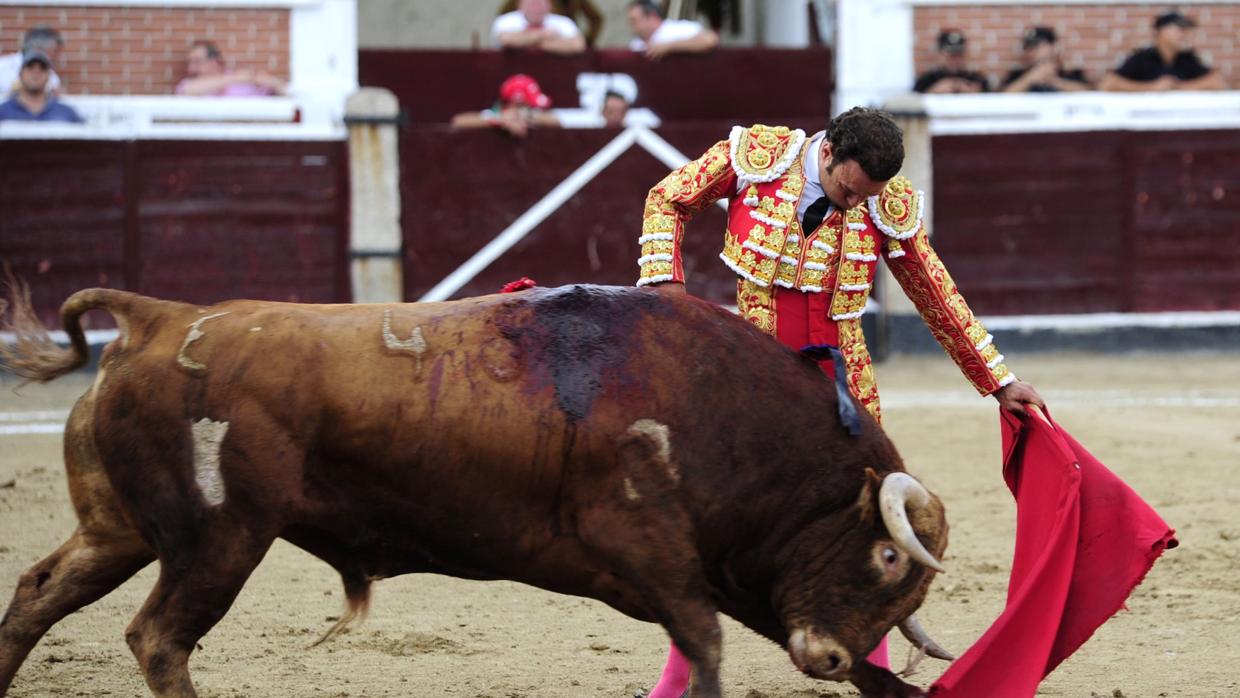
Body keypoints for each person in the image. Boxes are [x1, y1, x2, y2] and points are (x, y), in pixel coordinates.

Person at [634, 108, 1044, 697]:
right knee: (716, 522)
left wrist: (1000, 381)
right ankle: (677, 684)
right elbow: (666, 198)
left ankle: (869, 670)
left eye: (868, 196)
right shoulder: (757, 159)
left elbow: (935, 292)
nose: (856, 205)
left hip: (841, 378)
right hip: (754, 367)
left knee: (863, 522)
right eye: (850, 191)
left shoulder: (884, 202)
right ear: (827, 154)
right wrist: (665, 286)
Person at [1100, 10, 1227, 92]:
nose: (1184, 34)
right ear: (1161, 31)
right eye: (1179, 29)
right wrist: (1152, 87)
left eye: (1185, 30)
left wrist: (1180, 87)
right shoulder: (1142, 58)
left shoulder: (1188, 58)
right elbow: (1107, 84)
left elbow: (1218, 83)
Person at [450, 73, 561, 138]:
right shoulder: (496, 114)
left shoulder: (532, 114)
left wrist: (525, 116)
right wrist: (501, 120)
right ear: (517, 102)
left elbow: (556, 122)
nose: (531, 107)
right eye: (527, 104)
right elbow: (458, 121)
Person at [174, 40, 287, 96]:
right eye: (189, 63)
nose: (190, 69)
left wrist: (258, 78)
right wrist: (235, 78)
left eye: (197, 62)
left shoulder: (246, 80)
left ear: (214, 61)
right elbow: (186, 92)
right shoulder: (190, 84)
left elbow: (284, 90)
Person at [0, 48, 82, 123]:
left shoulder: (66, 114)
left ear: (49, 76)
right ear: (20, 74)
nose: (36, 72)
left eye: (42, 68)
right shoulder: (3, 112)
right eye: (30, 67)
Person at [1001, 26, 1091, 92]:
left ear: (1054, 46)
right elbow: (999, 99)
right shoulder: (1018, 74)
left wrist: (1055, 82)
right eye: (1028, 47)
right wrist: (1029, 79)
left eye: (1037, 46)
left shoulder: (1071, 74)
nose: (1031, 51)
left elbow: (1092, 95)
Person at [627, 0, 719, 60]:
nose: (632, 25)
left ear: (652, 16)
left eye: (634, 20)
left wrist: (668, 47)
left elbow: (710, 40)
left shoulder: (677, 29)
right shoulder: (636, 44)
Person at [491, 0, 586, 55]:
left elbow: (578, 45)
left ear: (549, 5)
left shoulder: (563, 22)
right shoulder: (506, 21)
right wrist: (545, 34)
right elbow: (507, 40)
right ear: (520, 4)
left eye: (540, 3)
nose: (536, 8)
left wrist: (528, 42)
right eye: (532, 3)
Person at [913, 29, 989, 94]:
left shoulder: (977, 79)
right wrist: (933, 92)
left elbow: (992, 103)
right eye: (951, 56)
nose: (956, 60)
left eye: (959, 55)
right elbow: (913, 104)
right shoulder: (926, 80)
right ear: (940, 54)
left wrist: (978, 95)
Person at [0, 26, 64, 95]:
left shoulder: (51, 76)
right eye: (54, 51)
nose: (56, 56)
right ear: (38, 48)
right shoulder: (3, 66)